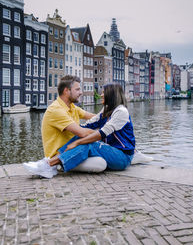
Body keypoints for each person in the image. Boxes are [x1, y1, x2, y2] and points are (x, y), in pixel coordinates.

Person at [24, 83, 152, 178]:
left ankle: (49, 164)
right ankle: (49, 164)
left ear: (111, 95)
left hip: (123, 157)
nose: (101, 94)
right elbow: (90, 124)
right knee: (82, 137)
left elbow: (101, 134)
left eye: (103, 92)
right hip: (113, 151)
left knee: (89, 143)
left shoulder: (121, 112)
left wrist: (77, 143)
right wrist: (72, 129)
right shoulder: (107, 110)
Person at [23, 75, 108, 178]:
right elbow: (82, 133)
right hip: (62, 155)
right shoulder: (56, 110)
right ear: (66, 91)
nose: (81, 92)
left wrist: (112, 116)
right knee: (101, 163)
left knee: (99, 151)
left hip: (74, 149)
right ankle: (51, 165)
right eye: (77, 89)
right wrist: (105, 133)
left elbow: (94, 117)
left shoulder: (72, 107)